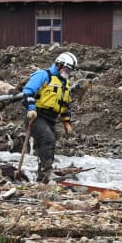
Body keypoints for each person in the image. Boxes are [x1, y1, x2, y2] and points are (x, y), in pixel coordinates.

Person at [21, 51, 77, 184]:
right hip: (36, 116)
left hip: (51, 119)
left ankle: (43, 176)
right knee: (48, 139)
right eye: (66, 69)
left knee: (49, 145)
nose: (68, 72)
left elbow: (65, 105)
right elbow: (28, 92)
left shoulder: (65, 84)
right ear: (58, 64)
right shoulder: (43, 75)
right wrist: (31, 109)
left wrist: (66, 122)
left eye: (70, 70)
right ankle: (47, 173)